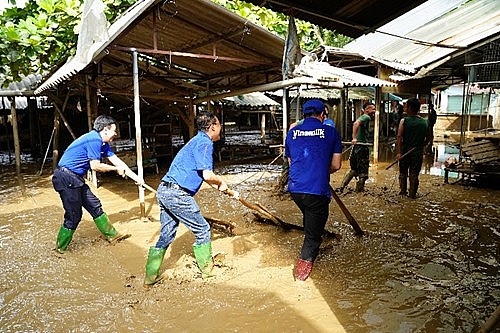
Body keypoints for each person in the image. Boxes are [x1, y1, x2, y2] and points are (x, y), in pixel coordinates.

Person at [144, 111, 238, 287]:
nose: (221, 128)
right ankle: (209, 274)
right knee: (203, 230)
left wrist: (223, 189)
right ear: (212, 127)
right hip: (178, 194)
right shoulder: (205, 143)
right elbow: (208, 175)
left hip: (164, 191)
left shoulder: (195, 141)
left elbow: (204, 177)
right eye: (219, 125)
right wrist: (221, 181)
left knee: (166, 234)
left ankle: (150, 277)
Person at [52, 115, 141, 253]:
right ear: (105, 129)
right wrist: (115, 169)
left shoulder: (103, 144)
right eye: (114, 131)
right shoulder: (94, 139)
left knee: (94, 205)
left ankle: (112, 235)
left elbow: (119, 162)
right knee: (74, 215)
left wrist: (137, 178)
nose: (116, 134)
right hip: (66, 177)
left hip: (75, 178)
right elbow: (95, 166)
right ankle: (59, 249)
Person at [285, 99, 342, 281]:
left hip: (295, 189)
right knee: (312, 237)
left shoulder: (292, 133)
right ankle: (301, 274)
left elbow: (291, 162)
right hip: (316, 190)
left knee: (309, 215)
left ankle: (312, 230)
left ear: (304, 115)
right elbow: (336, 165)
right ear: (323, 114)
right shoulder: (331, 132)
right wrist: (318, 171)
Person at [396, 98, 431, 199]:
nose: (405, 108)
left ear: (410, 108)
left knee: (403, 173)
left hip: (405, 152)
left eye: (406, 106)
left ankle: (403, 193)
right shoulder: (425, 122)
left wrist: (398, 153)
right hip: (417, 153)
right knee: (414, 174)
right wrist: (421, 145)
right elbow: (428, 138)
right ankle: (412, 195)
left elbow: (399, 137)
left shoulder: (404, 121)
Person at [338, 101, 376, 192]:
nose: (374, 111)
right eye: (373, 109)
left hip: (356, 147)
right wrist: (354, 138)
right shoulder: (366, 117)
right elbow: (355, 124)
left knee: (354, 169)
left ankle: (342, 187)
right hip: (362, 147)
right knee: (363, 172)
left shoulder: (364, 117)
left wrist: (354, 139)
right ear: (367, 109)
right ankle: (359, 192)